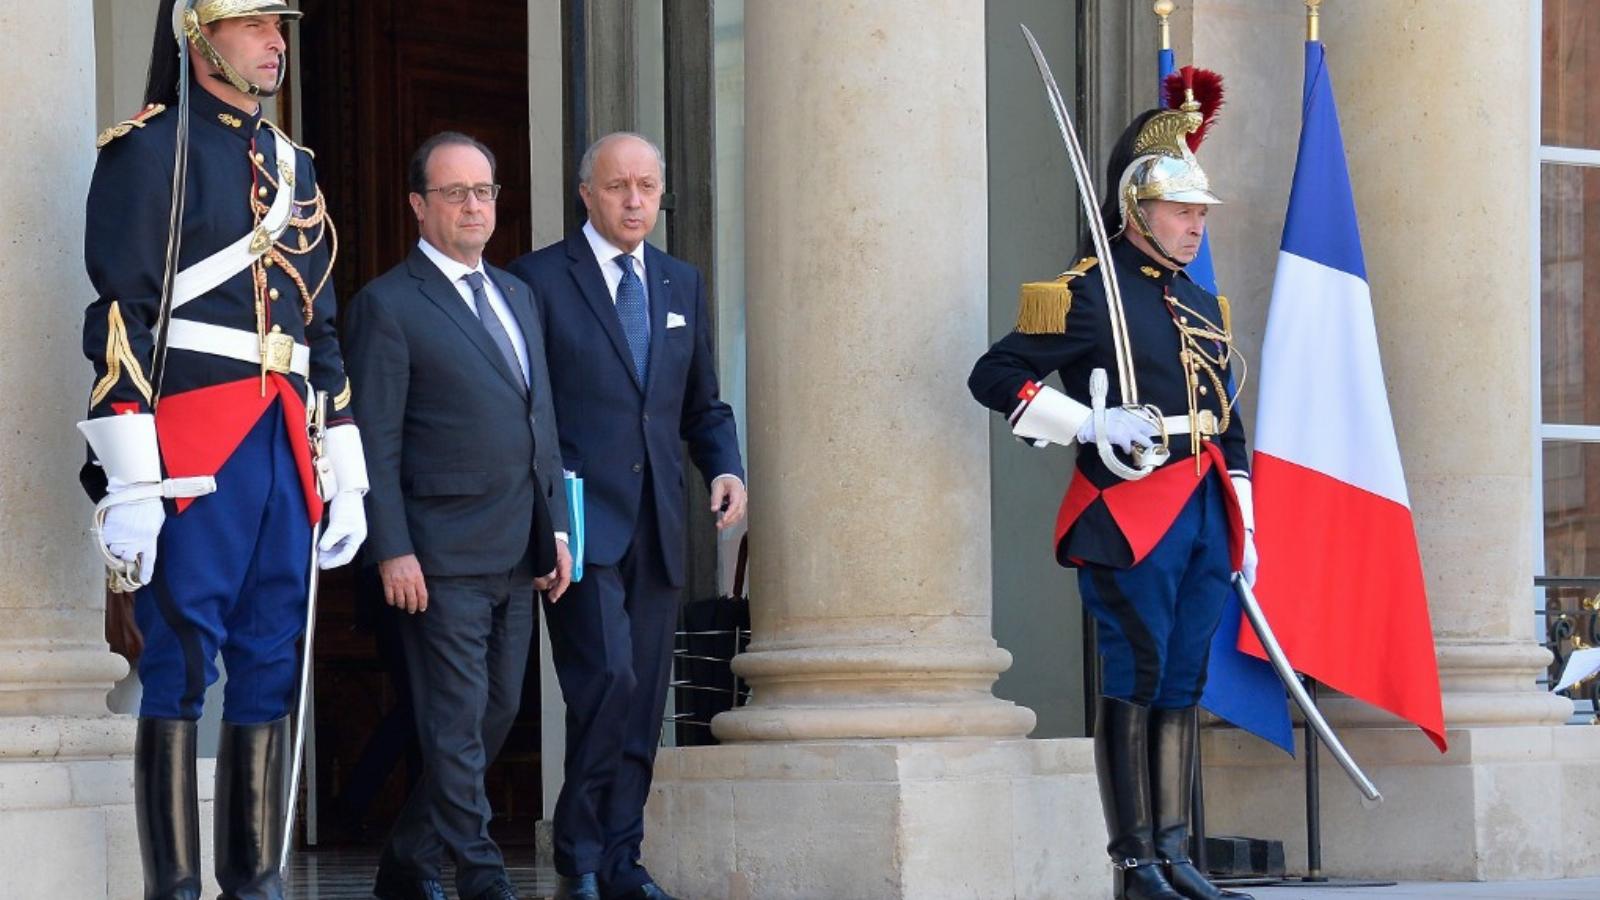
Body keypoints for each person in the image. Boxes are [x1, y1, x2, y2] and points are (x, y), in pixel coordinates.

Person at [79, 2, 368, 897]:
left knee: (274, 658)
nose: (276, 43)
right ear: (198, 38)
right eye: (253, 27)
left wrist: (344, 462)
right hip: (195, 440)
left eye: (279, 27)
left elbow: (321, 324)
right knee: (180, 661)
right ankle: (173, 889)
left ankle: (255, 884)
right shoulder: (147, 153)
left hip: (285, 437)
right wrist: (129, 476)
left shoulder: (296, 167)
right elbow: (121, 314)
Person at [968, 75, 1256, 900]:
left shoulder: (1202, 301)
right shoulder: (1086, 292)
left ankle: (1173, 851)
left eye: (1202, 214)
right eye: (1183, 212)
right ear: (1139, 212)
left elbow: (1224, 415)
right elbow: (996, 376)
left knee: (1184, 676)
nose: (1198, 226)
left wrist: (1247, 508)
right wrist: (1086, 426)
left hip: (1203, 507)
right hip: (1128, 508)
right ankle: (1134, 863)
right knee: (1138, 669)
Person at [507, 132, 746, 900]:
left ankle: (619, 857)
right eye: (619, 187)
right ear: (587, 192)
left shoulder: (681, 282)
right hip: (577, 524)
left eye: (648, 186)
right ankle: (578, 849)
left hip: (658, 523)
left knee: (642, 696)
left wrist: (727, 466)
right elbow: (527, 411)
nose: (635, 200)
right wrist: (542, 516)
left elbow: (701, 403)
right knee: (605, 679)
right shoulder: (537, 280)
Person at [343, 131, 570, 900]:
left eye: (485, 191)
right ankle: (480, 876)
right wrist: (391, 549)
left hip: (517, 548)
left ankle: (409, 858)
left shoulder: (517, 295)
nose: (475, 206)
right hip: (437, 556)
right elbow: (372, 440)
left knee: (496, 712)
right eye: (456, 193)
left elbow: (540, 424)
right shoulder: (388, 304)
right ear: (418, 205)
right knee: (454, 718)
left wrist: (559, 530)